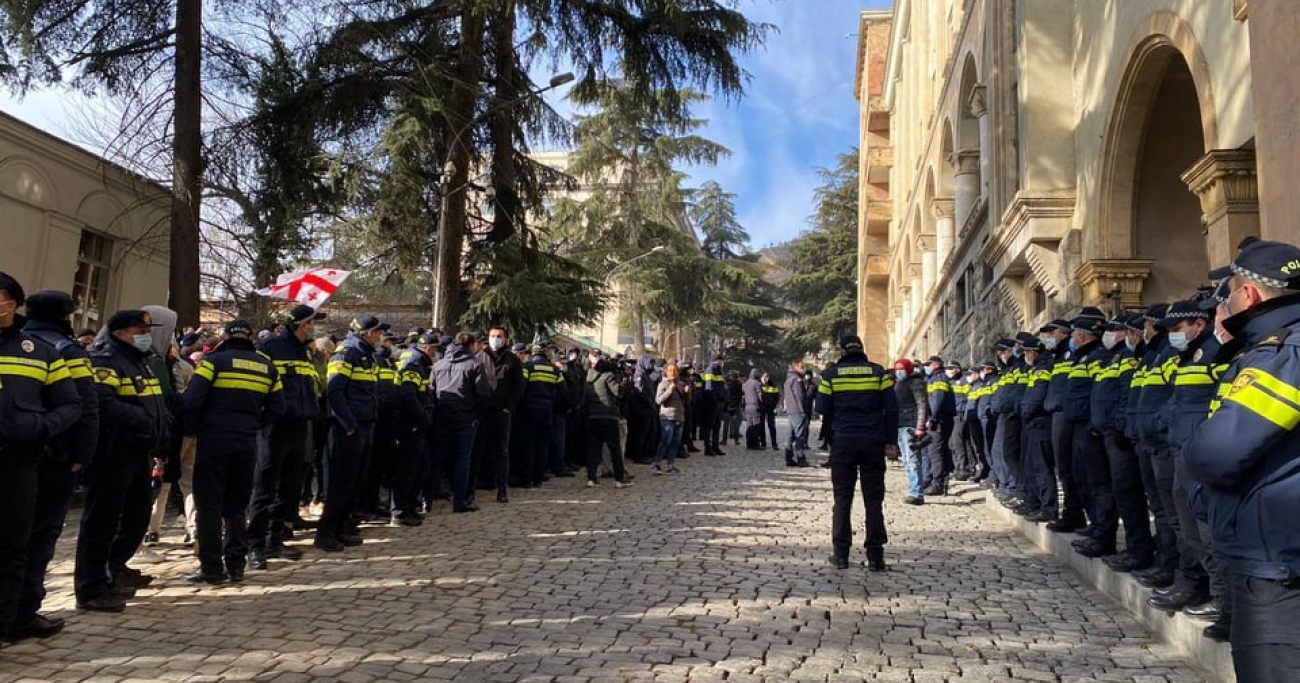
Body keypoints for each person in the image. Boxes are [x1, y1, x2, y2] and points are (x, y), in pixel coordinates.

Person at [1183, 239, 1300, 680]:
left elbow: (1215, 453)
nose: (1223, 304)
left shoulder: (1281, 355)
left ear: (1248, 295)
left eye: (1228, 293)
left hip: (1277, 564)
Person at [0, 279, 83, 641]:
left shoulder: (40, 351)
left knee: (12, 546)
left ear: (14, 304)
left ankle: (4, 625)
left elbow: (71, 403)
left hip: (18, 463)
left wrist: (40, 426)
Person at [75, 309, 168, 612]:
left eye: (146, 330)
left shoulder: (141, 361)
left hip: (139, 452)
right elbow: (102, 403)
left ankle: (113, 567)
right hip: (112, 454)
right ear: (119, 333)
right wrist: (141, 420)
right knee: (101, 521)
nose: (145, 335)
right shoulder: (105, 360)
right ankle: (91, 587)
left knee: (138, 516)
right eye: (139, 330)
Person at [182, 320, 284, 584]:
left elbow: (193, 399)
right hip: (247, 441)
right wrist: (253, 425)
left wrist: (193, 429)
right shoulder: (267, 367)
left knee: (209, 505)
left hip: (214, 440)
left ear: (227, 337)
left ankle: (212, 568)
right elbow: (278, 407)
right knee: (237, 506)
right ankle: (237, 565)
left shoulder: (213, 362)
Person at [248, 305, 325, 570]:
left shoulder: (304, 351)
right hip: (273, 428)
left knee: (289, 486)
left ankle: (275, 539)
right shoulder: (271, 348)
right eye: (312, 323)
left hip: (298, 426)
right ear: (302, 325)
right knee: (264, 486)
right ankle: (254, 545)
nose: (314, 328)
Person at [818, 335, 898, 571]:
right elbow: (891, 409)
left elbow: (821, 407)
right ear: (861, 350)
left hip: (843, 442)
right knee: (873, 499)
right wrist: (890, 441)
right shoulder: (878, 373)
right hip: (873, 441)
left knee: (842, 498)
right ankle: (875, 556)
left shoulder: (831, 376)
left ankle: (840, 554)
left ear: (843, 352)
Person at [315, 314, 383, 552]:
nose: (379, 336)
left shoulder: (366, 354)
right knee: (341, 482)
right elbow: (335, 392)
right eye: (376, 332)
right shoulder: (346, 354)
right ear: (365, 333)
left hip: (363, 425)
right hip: (348, 428)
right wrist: (349, 424)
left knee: (355, 480)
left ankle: (343, 527)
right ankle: (326, 533)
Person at [432, 332, 492, 512]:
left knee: (437, 459)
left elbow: (432, 389)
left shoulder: (438, 364)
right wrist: (477, 415)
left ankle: (426, 500)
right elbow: (483, 394)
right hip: (466, 418)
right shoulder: (474, 364)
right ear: (472, 345)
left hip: (441, 417)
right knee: (462, 460)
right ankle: (460, 501)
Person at [390, 334, 436, 523]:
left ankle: (409, 506)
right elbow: (408, 396)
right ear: (428, 348)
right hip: (410, 425)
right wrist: (423, 417)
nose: (435, 353)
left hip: (418, 425)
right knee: (407, 470)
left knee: (419, 469)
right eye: (434, 349)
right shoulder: (414, 365)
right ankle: (400, 512)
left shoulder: (421, 364)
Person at [475, 326, 523, 499]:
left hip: (502, 412)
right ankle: (473, 487)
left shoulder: (513, 360)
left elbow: (519, 387)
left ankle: (502, 489)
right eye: (492, 336)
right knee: (478, 449)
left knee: (501, 450)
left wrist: (508, 407)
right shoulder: (479, 357)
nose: (495, 339)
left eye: (499, 336)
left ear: (506, 339)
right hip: (482, 412)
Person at [1016, 336, 1056, 522]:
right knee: (1031, 466)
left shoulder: (1042, 369)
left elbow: (1037, 395)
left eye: (1026, 352)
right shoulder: (1035, 368)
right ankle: (1035, 504)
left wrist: (1025, 411)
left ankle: (1048, 508)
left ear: (1033, 352)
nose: (1024, 355)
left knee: (1041, 468)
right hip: (1032, 422)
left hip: (1040, 422)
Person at [584, 356, 633, 488]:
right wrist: (624, 380)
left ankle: (591, 478)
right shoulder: (608, 377)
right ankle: (619, 479)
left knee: (593, 450)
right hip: (608, 417)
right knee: (615, 449)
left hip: (593, 417)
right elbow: (618, 392)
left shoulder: (588, 380)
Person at [520, 344, 563, 490]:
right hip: (547, 412)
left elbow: (521, 389)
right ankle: (538, 478)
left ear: (532, 354)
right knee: (542, 445)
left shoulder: (527, 368)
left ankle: (526, 479)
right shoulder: (555, 370)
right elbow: (563, 393)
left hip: (529, 411)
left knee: (527, 445)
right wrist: (552, 405)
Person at [892, 358, 929, 504]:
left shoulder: (916, 382)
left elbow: (922, 405)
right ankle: (913, 489)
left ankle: (917, 493)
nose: (898, 371)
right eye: (896, 369)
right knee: (907, 461)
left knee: (913, 460)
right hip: (900, 425)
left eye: (901, 368)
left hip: (911, 426)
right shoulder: (899, 384)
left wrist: (920, 427)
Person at [923, 356, 955, 496]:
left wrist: (933, 418)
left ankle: (938, 483)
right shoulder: (938, 378)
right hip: (944, 419)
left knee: (935, 452)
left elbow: (937, 399)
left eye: (928, 365)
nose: (926, 368)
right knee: (941, 451)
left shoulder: (938, 379)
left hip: (939, 420)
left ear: (935, 365)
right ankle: (942, 482)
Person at [651, 363, 687, 475]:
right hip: (667, 417)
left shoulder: (680, 384)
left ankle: (670, 465)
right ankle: (656, 464)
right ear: (666, 372)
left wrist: (686, 393)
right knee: (665, 441)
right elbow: (658, 400)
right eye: (670, 370)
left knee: (675, 442)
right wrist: (669, 390)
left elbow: (685, 402)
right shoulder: (663, 383)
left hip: (679, 417)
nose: (673, 372)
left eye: (675, 370)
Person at [783, 360, 812, 467]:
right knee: (800, 435)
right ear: (796, 366)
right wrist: (802, 410)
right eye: (802, 367)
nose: (804, 369)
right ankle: (801, 458)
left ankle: (788, 458)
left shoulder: (788, 379)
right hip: (798, 411)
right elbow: (799, 396)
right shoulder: (797, 380)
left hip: (791, 410)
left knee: (790, 435)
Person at [700, 356, 726, 455]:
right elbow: (709, 387)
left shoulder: (719, 370)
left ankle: (715, 447)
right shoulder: (711, 369)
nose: (723, 363)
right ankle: (708, 448)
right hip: (712, 403)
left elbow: (721, 386)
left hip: (718, 402)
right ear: (718, 361)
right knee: (709, 426)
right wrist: (716, 400)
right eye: (722, 361)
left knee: (717, 426)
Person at [742, 369, 763, 450]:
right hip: (755, 406)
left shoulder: (746, 383)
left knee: (749, 426)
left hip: (747, 406)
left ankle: (749, 443)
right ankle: (755, 444)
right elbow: (760, 395)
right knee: (756, 425)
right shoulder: (756, 383)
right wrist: (763, 402)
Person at [759, 372, 780, 450]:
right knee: (761, 427)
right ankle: (763, 443)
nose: (765, 379)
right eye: (764, 377)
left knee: (772, 426)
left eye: (767, 377)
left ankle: (774, 444)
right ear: (761, 377)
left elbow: (777, 397)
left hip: (770, 409)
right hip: (761, 409)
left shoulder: (773, 385)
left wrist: (773, 406)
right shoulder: (758, 385)